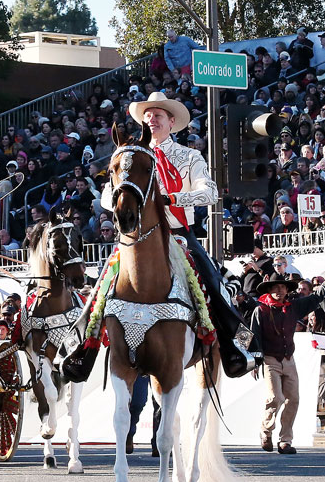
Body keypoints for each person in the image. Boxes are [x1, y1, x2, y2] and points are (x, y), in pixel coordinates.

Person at [105, 91, 257, 377]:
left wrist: (173, 199)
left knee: (213, 282)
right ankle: (82, 348)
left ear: (172, 122)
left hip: (178, 235)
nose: (151, 120)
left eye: (158, 115)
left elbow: (210, 192)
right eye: (147, 116)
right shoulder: (130, 156)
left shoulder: (189, 155)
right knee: (101, 286)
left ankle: (240, 346)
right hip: (135, 239)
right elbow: (105, 198)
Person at [248, 275, 325, 454]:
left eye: (283, 287)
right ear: (269, 290)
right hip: (269, 359)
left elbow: (316, 298)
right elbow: (254, 335)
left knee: (293, 400)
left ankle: (285, 440)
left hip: (288, 359)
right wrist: (255, 362)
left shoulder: (293, 307)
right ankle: (266, 432)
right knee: (275, 398)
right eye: (275, 287)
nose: (280, 291)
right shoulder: (260, 310)